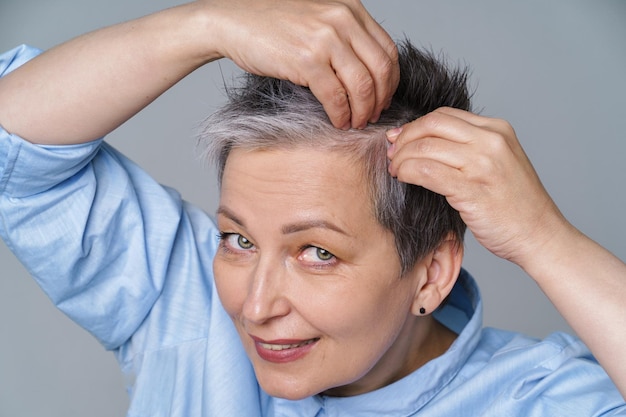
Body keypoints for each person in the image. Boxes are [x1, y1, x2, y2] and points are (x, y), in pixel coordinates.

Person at [0, 0, 624, 416]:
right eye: (238, 240)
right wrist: (206, 25)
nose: (254, 305)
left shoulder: (536, 400)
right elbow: (13, 149)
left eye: (317, 253)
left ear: (431, 274)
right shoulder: (182, 298)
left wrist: (545, 241)